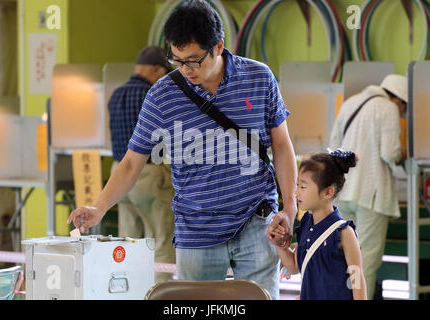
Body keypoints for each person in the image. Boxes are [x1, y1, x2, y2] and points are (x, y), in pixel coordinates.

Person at [68, 0, 297, 300]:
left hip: (256, 222)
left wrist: (290, 207)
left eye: (193, 60)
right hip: (196, 230)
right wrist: (99, 207)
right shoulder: (162, 95)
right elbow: (130, 163)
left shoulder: (259, 78)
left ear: (218, 46)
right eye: (176, 60)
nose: (185, 69)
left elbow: (281, 145)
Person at [329, 74, 407, 299]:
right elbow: (389, 152)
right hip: (371, 195)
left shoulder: (350, 103)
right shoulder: (388, 108)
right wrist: (405, 152)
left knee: (344, 260)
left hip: (344, 192)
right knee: (365, 263)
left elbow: (334, 147)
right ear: (399, 100)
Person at [108, 46, 175, 283]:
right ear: (155, 69)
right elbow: (165, 137)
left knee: (129, 242)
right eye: (164, 72)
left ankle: (127, 290)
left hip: (118, 175)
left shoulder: (116, 94)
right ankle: (160, 294)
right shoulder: (152, 95)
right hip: (147, 175)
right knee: (160, 239)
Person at [268, 150, 367, 300]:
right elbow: (294, 266)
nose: (296, 193)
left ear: (328, 192)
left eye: (303, 187)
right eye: (297, 185)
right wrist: (278, 244)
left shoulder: (344, 232)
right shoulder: (306, 223)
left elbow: (357, 281)